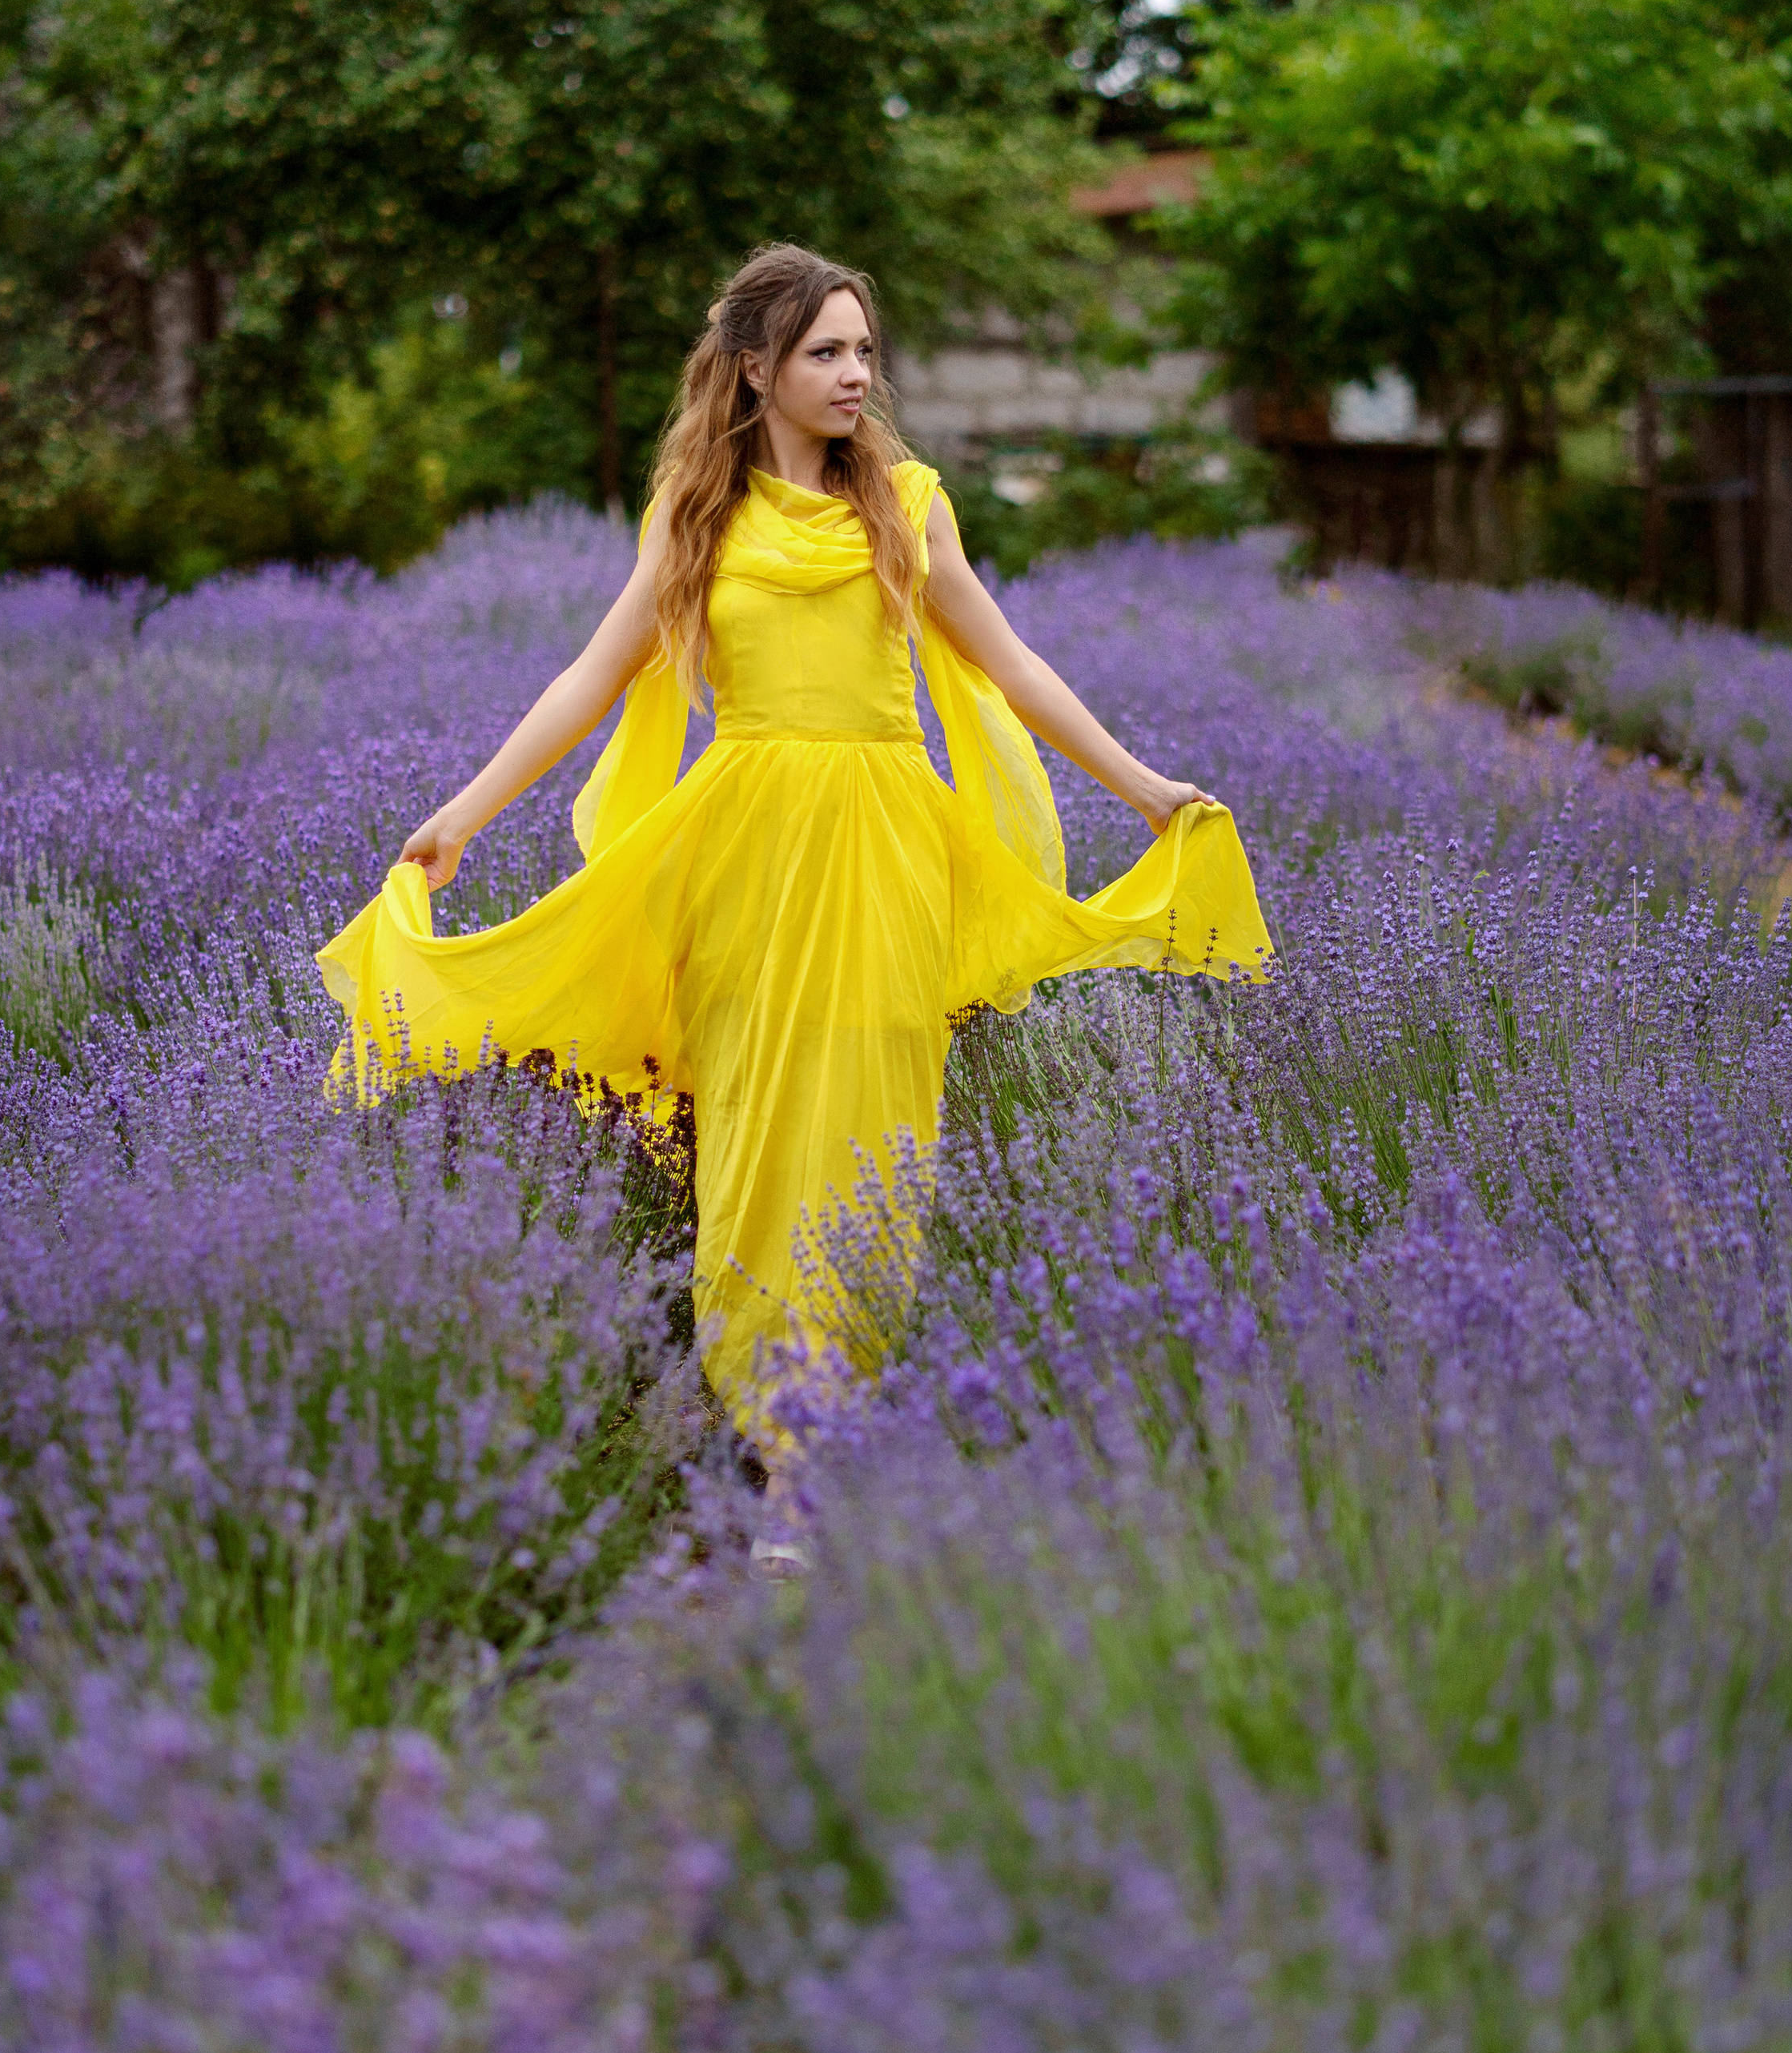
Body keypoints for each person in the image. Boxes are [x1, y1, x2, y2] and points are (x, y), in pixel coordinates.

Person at [317, 243, 1272, 1537]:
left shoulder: (909, 502)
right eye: (826, 351)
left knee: (872, 1144)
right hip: (745, 856)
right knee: (760, 1144)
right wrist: (465, 814)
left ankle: (828, 1437)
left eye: (865, 352)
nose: (854, 375)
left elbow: (1015, 668)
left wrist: (1146, 788)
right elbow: (589, 681)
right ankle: (779, 1456)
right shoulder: (697, 514)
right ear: (756, 370)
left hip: (887, 855)